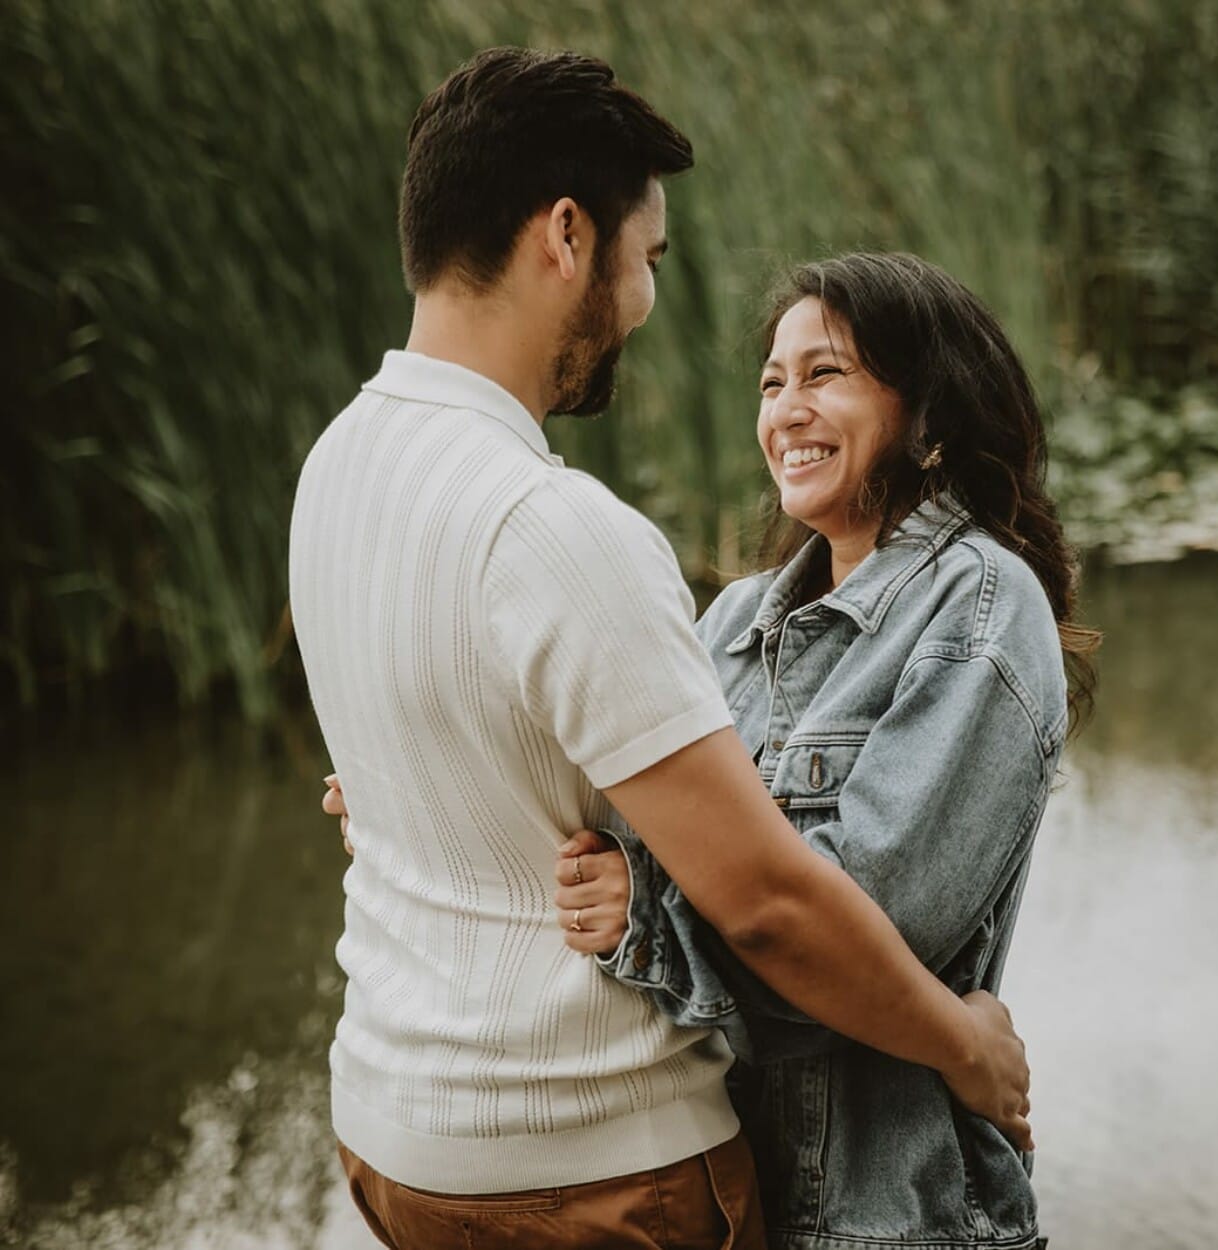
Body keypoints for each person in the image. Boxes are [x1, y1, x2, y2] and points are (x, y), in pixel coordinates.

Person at [290, 48, 1033, 1250]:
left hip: (394, 1135)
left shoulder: (333, 470)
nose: (643, 300)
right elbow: (771, 906)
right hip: (589, 1159)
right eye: (648, 258)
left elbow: (460, 774)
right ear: (567, 236)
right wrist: (965, 1044)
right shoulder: (557, 527)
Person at [549, 253, 1099, 1248]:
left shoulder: (981, 605)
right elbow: (607, 819)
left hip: (891, 1219)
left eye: (825, 373)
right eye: (773, 383)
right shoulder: (733, 622)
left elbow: (861, 934)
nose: (786, 410)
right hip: (722, 1194)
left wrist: (648, 916)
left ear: (927, 415)